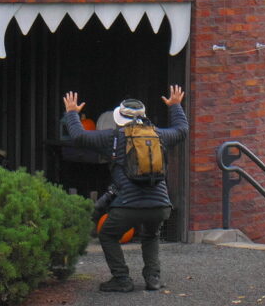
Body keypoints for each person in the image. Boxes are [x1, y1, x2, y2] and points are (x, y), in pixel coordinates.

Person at [61, 85, 186, 292]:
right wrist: (175, 106)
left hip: (127, 205)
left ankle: (121, 279)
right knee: (151, 235)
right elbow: (181, 130)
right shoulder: (159, 135)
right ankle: (153, 278)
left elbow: (79, 136)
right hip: (160, 205)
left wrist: (72, 112)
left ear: (119, 118)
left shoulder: (113, 137)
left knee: (107, 234)